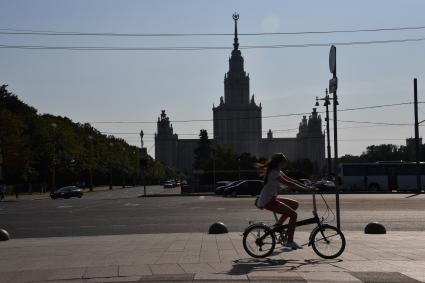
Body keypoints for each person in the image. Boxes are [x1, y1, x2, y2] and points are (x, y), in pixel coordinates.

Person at [256, 153, 313, 250]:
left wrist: (308, 187)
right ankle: (290, 242)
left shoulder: (278, 171)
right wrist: (306, 190)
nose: (286, 163)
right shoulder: (274, 173)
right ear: (279, 162)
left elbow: (293, 181)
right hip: (268, 201)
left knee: (295, 204)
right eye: (284, 161)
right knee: (294, 215)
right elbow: (289, 184)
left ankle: (278, 225)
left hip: (272, 198)